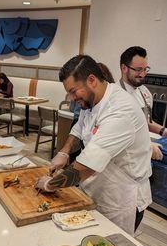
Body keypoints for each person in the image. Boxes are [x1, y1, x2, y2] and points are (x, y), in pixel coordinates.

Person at [35, 55, 152, 236]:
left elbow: (86, 167)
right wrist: (64, 152)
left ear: (92, 80)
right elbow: (79, 128)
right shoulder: (92, 100)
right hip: (99, 187)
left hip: (122, 197)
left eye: (74, 91)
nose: (72, 99)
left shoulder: (120, 110)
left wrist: (51, 184)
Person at [119, 46, 165, 161]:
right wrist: (146, 146)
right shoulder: (115, 95)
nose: (143, 74)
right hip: (126, 156)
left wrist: (163, 131)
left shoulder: (144, 92)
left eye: (145, 69)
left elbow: (146, 122)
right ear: (124, 68)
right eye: (138, 69)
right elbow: (118, 131)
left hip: (144, 154)